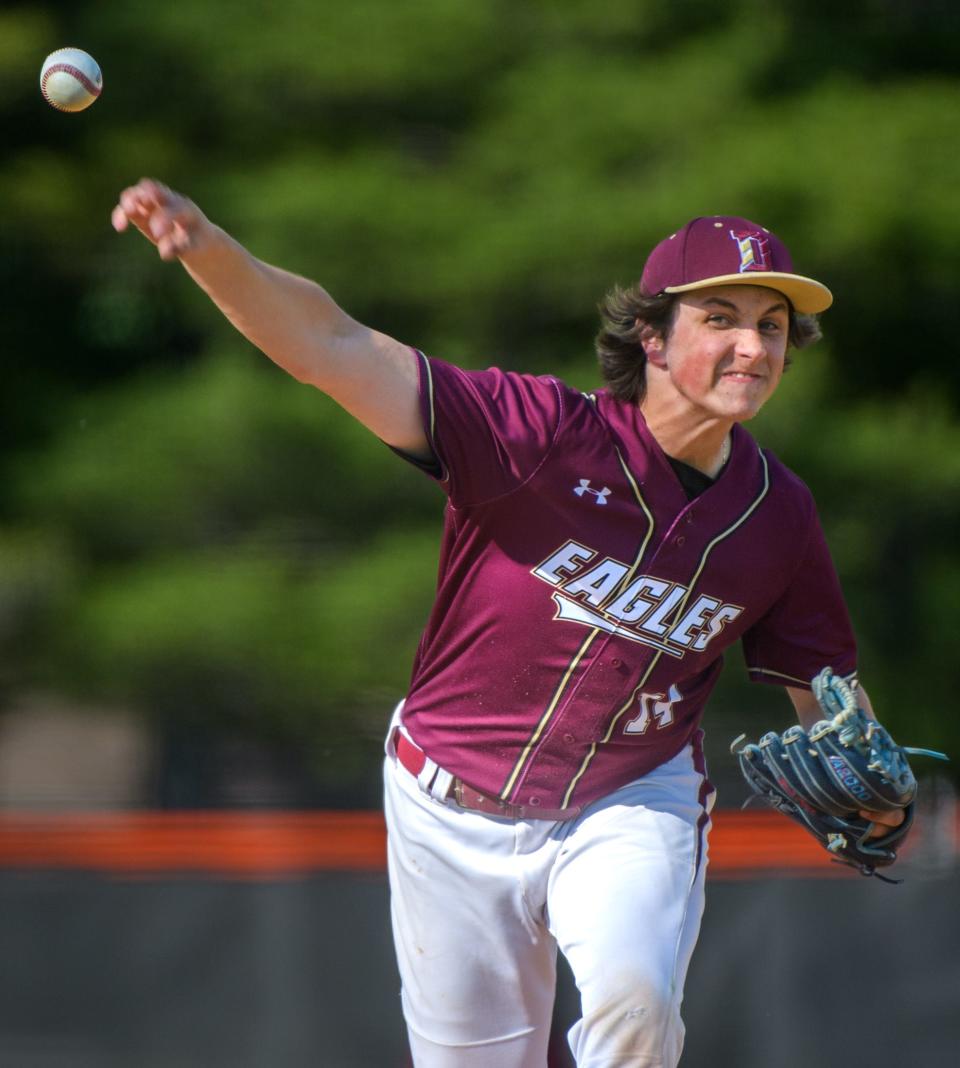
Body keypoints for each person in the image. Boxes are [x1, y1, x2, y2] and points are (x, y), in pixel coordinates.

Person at [112, 183, 904, 1068]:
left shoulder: (777, 514)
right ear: (652, 335)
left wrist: (865, 763)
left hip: (629, 800)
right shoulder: (533, 435)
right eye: (721, 316)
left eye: (772, 326)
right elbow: (333, 344)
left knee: (635, 1006)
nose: (752, 346)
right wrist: (212, 248)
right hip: (445, 805)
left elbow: (822, 684)